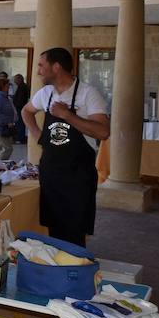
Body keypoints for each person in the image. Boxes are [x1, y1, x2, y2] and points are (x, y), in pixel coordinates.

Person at [21, 48, 110, 246]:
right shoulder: (45, 93)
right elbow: (26, 112)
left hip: (78, 176)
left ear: (56, 67)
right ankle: (58, 270)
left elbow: (103, 132)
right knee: (54, 229)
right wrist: (39, 136)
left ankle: (74, 270)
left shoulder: (88, 94)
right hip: (51, 173)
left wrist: (68, 115)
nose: (38, 71)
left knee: (75, 232)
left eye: (41, 65)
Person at [12, 73, 30, 143]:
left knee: (20, 123)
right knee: (19, 123)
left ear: (20, 79)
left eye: (16, 80)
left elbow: (21, 99)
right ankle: (19, 137)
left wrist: (16, 105)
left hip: (20, 108)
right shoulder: (21, 86)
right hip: (19, 107)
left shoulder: (22, 87)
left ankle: (20, 138)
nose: (14, 82)